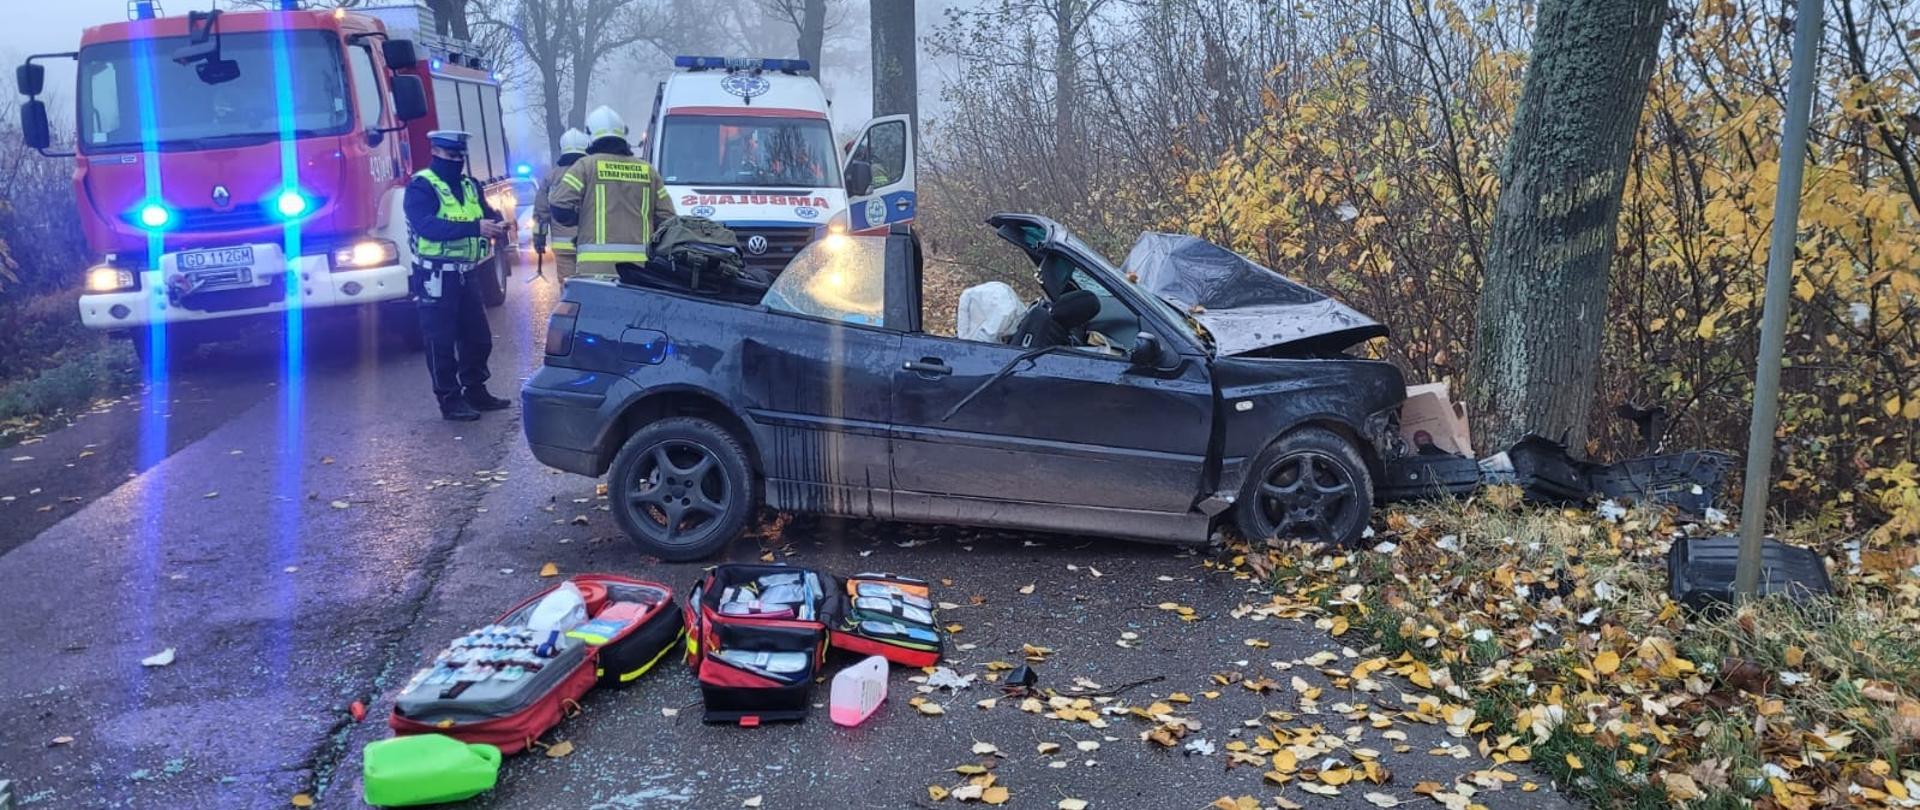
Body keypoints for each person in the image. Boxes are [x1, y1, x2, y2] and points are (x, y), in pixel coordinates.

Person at [404, 130, 511, 421]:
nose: (457, 162)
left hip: (466, 273)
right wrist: (476, 228)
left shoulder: (469, 185)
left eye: (460, 157)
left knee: (478, 339)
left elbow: (488, 213)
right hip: (435, 276)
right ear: (436, 153)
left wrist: (499, 225)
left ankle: (476, 390)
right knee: (440, 342)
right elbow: (428, 227)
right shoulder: (421, 187)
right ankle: (450, 400)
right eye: (451, 156)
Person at [549, 106, 674, 277]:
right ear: (623, 135)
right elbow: (668, 218)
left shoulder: (585, 167)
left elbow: (559, 206)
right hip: (641, 269)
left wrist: (580, 218)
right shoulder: (648, 171)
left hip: (595, 269)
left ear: (590, 135)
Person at [533, 127, 591, 279]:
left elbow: (541, 213)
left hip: (563, 247)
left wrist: (539, 240)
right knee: (593, 287)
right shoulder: (592, 173)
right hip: (591, 246)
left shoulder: (550, 177)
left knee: (569, 289)